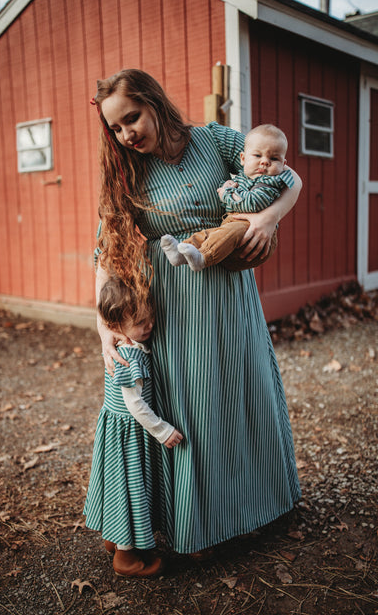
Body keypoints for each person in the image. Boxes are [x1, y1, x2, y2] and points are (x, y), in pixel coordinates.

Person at [91, 68, 302, 558]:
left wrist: (266, 221)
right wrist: (103, 327)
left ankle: (253, 507)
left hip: (230, 295)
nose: (126, 134)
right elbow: (104, 248)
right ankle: (200, 525)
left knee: (244, 397)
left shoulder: (215, 142)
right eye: (116, 128)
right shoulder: (128, 170)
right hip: (174, 308)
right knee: (197, 410)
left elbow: (287, 177)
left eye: (132, 118)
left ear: (154, 102)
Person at [84, 276, 183, 577]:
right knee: (130, 488)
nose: (149, 326)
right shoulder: (129, 357)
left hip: (118, 431)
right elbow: (135, 404)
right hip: (130, 434)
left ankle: (114, 538)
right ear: (116, 325)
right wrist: (162, 429)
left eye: (150, 318)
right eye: (141, 322)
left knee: (118, 485)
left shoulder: (128, 344)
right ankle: (126, 559)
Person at [160, 124, 294, 272]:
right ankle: (182, 252)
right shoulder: (245, 176)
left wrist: (226, 192)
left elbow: (251, 203)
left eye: (274, 158)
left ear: (283, 164)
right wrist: (229, 186)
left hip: (253, 235)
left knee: (230, 232)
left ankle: (203, 257)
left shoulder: (271, 183)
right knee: (210, 233)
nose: (264, 161)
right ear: (243, 158)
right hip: (233, 226)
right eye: (257, 156)